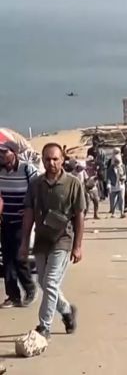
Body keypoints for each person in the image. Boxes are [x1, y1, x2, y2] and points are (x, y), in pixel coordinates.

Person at [19, 143, 84, 340]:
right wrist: (24, 243)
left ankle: (44, 326)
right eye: (47, 159)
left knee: (50, 282)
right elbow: (29, 214)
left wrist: (78, 246)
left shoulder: (73, 183)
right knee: (43, 282)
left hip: (62, 240)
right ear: (42, 160)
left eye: (55, 159)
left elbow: (79, 215)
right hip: (42, 240)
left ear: (62, 160)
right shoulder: (36, 184)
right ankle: (66, 311)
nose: (51, 163)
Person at [0, 141, 38, 308]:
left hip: (22, 221)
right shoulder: (0, 170)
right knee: (7, 259)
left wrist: (31, 208)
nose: (1, 156)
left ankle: (30, 289)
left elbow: (38, 189)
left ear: (14, 153)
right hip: (4, 220)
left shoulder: (26, 169)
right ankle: (13, 295)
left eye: (4, 152)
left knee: (18, 256)